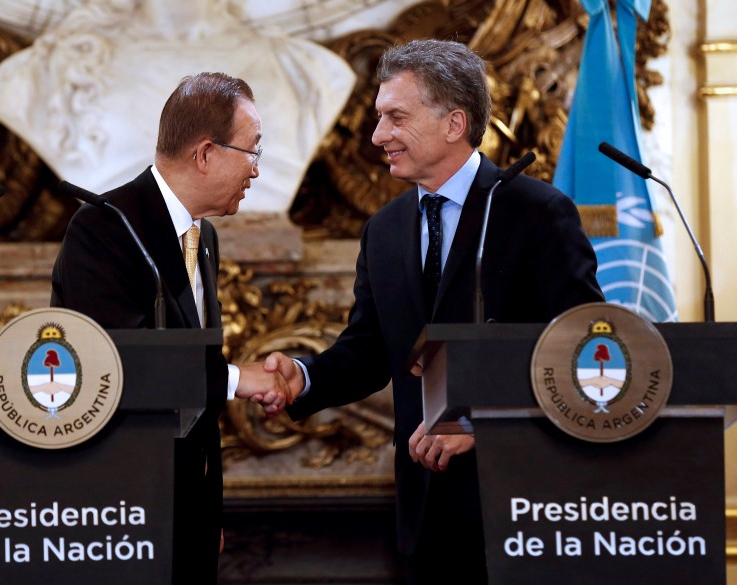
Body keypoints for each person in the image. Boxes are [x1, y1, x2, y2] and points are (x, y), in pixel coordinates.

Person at [259, 39, 605, 584]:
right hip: (426, 514)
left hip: (526, 505)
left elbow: (584, 351)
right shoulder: (384, 229)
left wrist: (486, 423)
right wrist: (303, 378)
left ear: (454, 123)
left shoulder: (536, 213)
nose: (377, 137)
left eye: (395, 117)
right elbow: (371, 350)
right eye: (378, 118)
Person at [50, 71, 288, 584]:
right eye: (252, 151)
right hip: (117, 509)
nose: (255, 170)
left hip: (186, 507)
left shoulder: (203, 240)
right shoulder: (105, 226)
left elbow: (195, 395)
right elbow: (117, 362)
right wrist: (235, 379)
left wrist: (207, 510)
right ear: (205, 153)